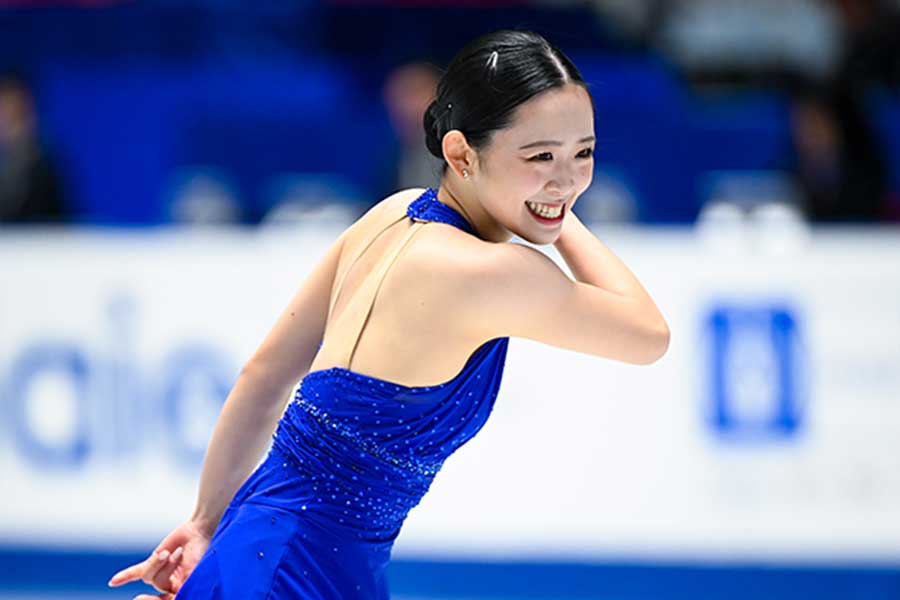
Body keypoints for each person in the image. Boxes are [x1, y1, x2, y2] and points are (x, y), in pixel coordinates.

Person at [107, 28, 670, 599]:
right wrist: (559, 213)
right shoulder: (494, 272)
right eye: (541, 155)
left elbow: (265, 375)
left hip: (253, 542)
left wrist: (204, 523)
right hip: (300, 575)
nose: (569, 175)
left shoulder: (390, 215)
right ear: (460, 153)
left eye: (584, 153)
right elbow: (648, 335)